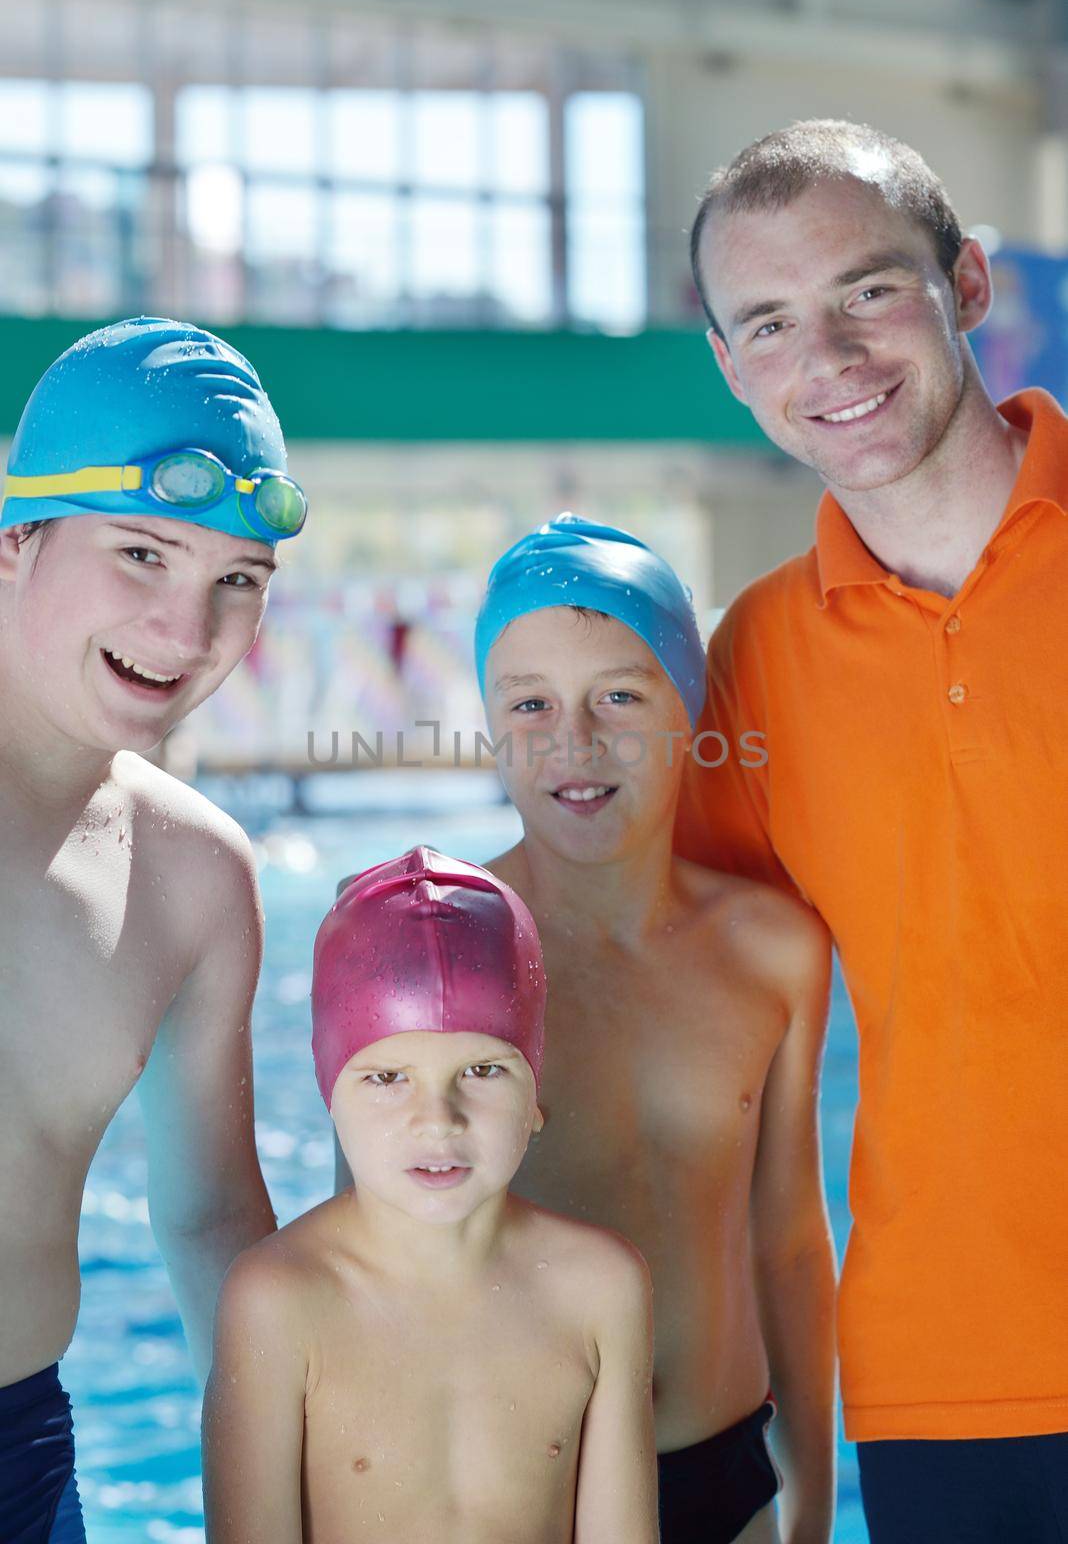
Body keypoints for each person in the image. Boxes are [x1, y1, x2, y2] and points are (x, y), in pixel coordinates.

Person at [678, 117, 1068, 1544]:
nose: (827, 360)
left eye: (867, 291)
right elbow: (686, 1009)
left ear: (966, 284)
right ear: (730, 368)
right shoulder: (754, 664)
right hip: (942, 1372)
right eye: (770, 322)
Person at [0, 316, 307, 1541]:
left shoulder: (193, 878)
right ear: (17, 539)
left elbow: (211, 1218)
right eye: (141, 553)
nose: (185, 632)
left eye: (238, 580)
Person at [471, 514, 836, 1544]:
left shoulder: (772, 950)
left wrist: (808, 1498)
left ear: (692, 710)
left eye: (620, 696)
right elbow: (360, 1264)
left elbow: (791, 1243)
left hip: (726, 1479)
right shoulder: (440, 944)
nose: (573, 742)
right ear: (490, 722)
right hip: (507, 1493)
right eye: (529, 702)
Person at [203, 847, 658, 1544]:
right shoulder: (279, 1300)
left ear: (536, 1092)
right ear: (330, 1097)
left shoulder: (602, 1288)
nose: (437, 1120)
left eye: (482, 1069)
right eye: (387, 1078)